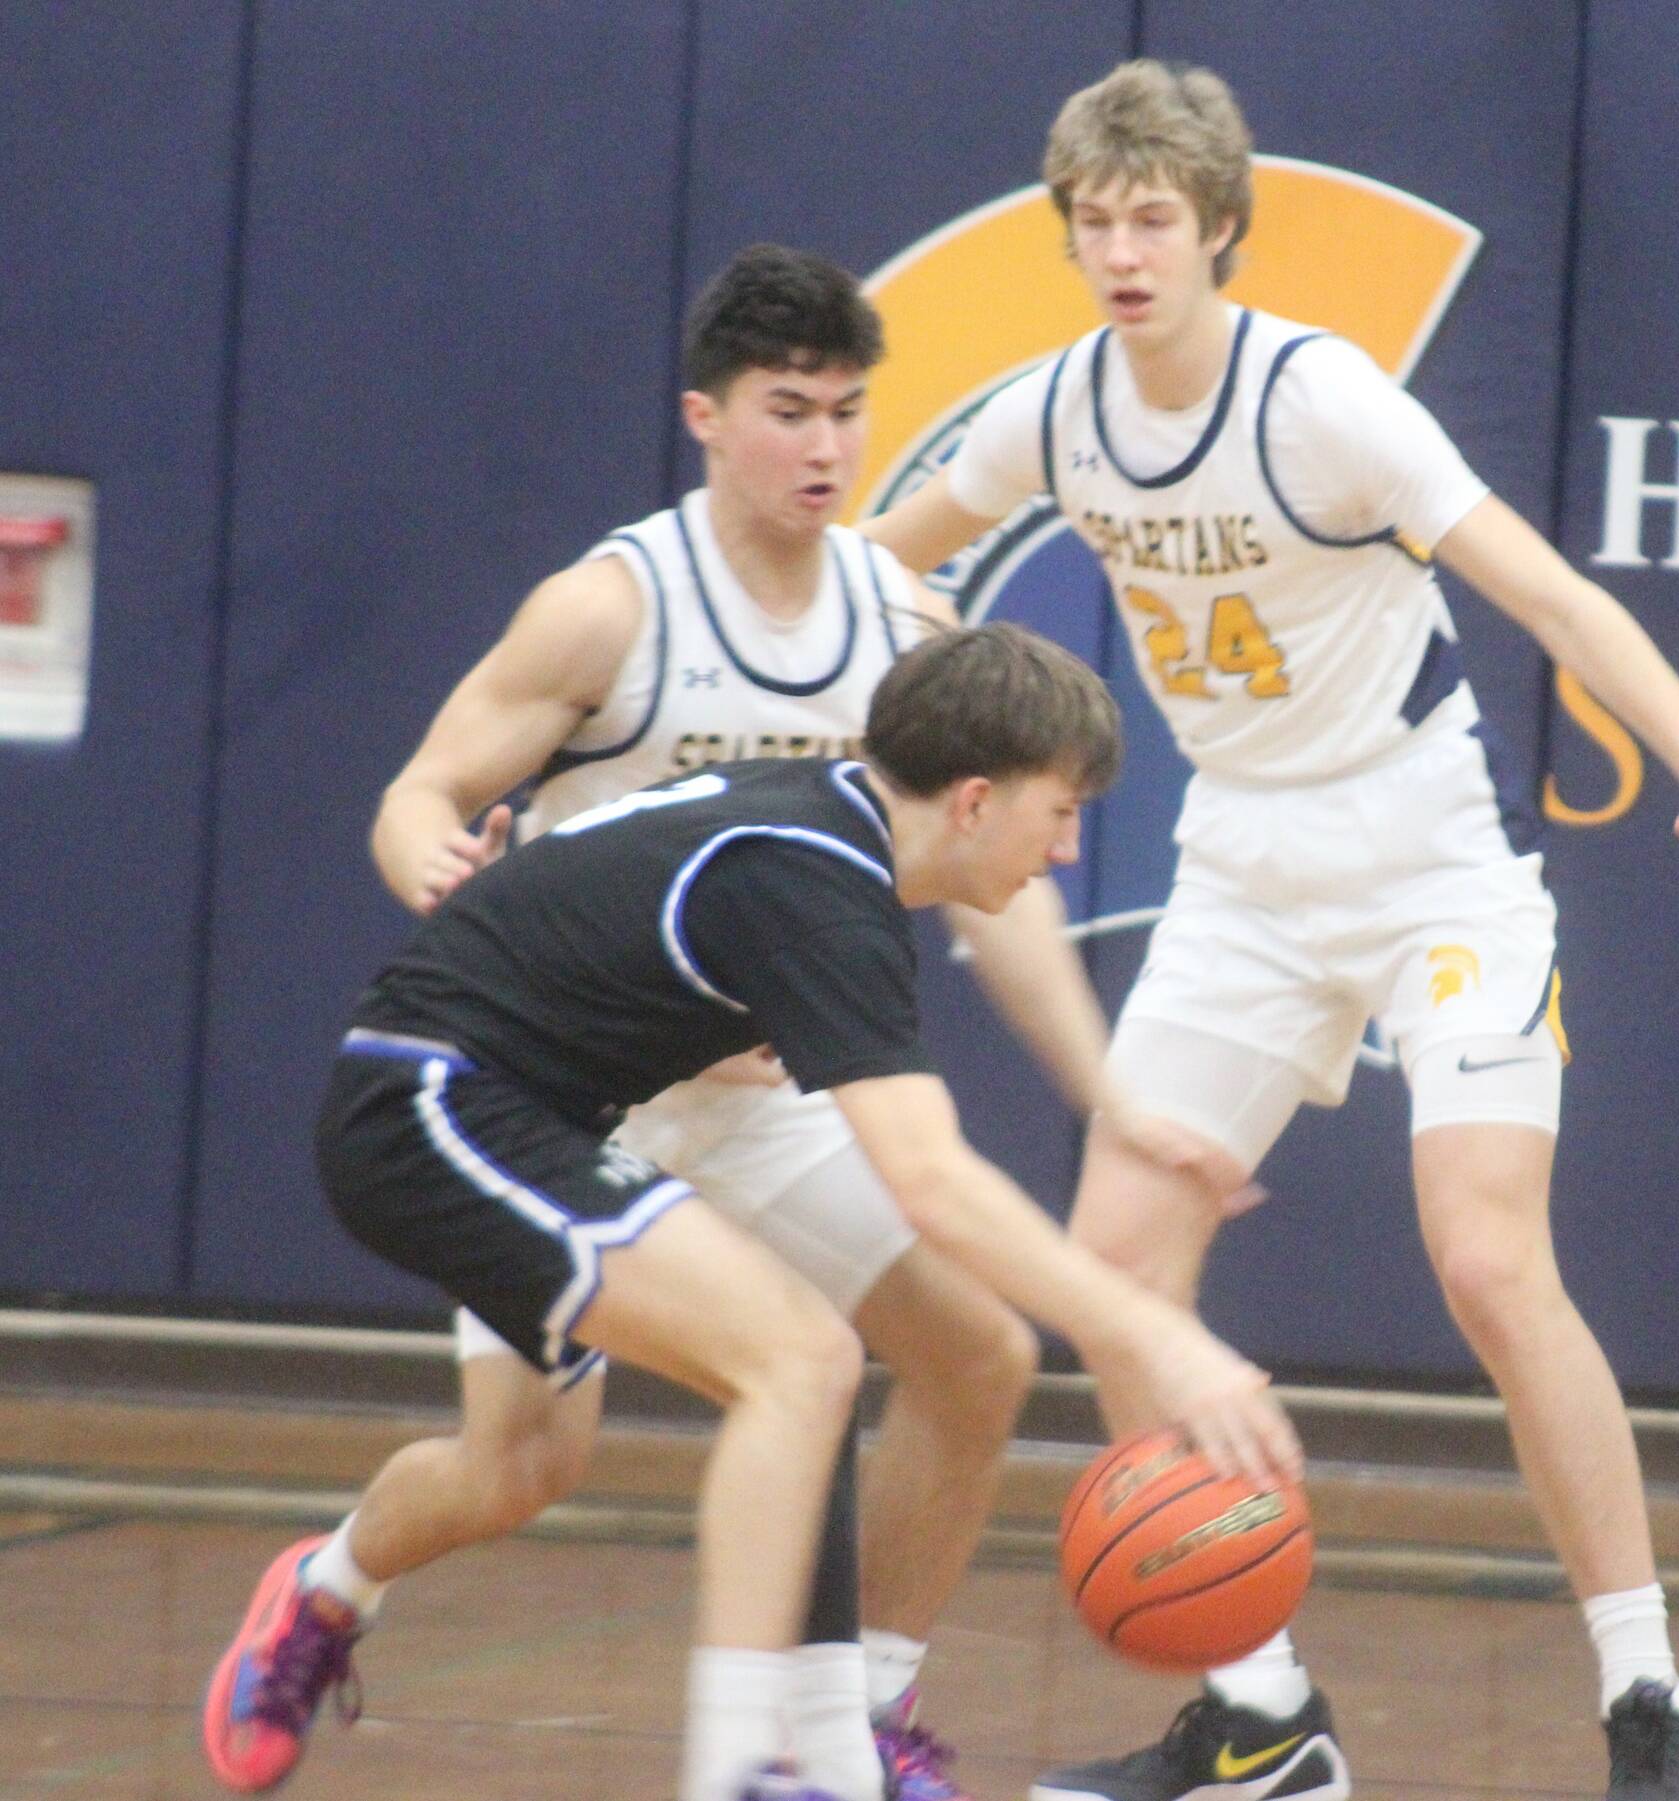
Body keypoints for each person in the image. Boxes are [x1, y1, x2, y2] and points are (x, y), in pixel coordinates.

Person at [862, 60, 1679, 1801]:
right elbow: (887, 557)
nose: (1122, 250)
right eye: (1094, 221)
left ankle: (1651, 1702)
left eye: (1153, 220)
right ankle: (1263, 1718)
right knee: (1113, 1278)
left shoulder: (1324, 404)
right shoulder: (1051, 414)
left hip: (1430, 863)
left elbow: (1552, 593)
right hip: (1245, 871)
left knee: (1489, 1261)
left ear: (1221, 234)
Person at [202, 247, 1228, 1798]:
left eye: (849, 415)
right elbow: (429, 783)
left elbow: (992, 878)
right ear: (708, 417)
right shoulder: (612, 604)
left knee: (961, 1356)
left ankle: (841, 1734)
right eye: (788, 411)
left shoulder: (902, 620)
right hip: (554, 1084)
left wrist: (1106, 1089)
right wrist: (420, 837)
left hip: (757, 1079)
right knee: (526, 1465)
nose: (824, 447)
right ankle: (335, 1587)